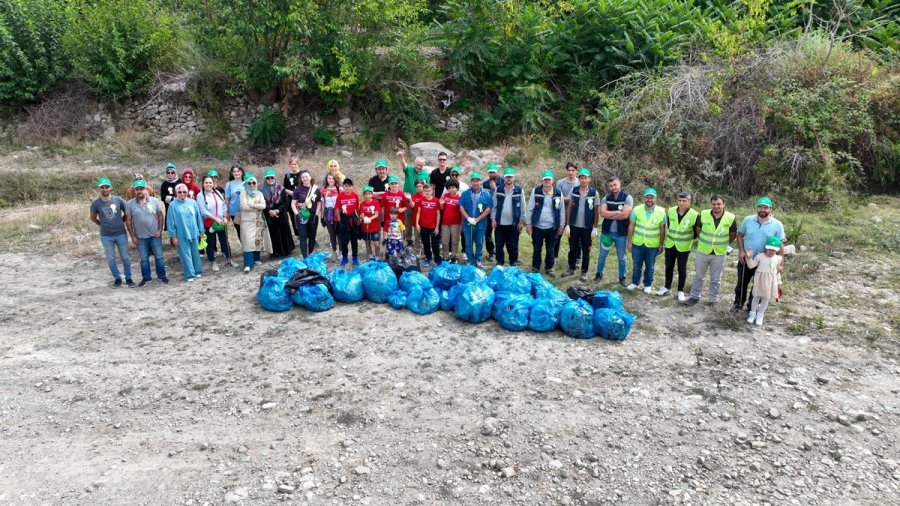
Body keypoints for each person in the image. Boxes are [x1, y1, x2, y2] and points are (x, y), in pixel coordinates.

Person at [683, 195, 736, 306]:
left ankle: (713, 300)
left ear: (724, 204)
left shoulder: (730, 217)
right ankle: (694, 297)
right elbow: (698, 230)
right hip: (703, 250)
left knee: (716, 279)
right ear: (711, 204)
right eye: (714, 204)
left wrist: (723, 244)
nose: (716, 206)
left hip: (719, 253)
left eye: (719, 204)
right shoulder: (703, 214)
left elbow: (732, 234)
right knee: (698, 276)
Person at [735, 197, 786, 311]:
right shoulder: (748, 220)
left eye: (765, 207)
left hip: (765, 261)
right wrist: (741, 251)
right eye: (760, 207)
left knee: (759, 286)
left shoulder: (777, 224)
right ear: (756, 208)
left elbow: (780, 245)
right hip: (747, 259)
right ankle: (738, 305)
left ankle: (751, 308)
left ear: (771, 209)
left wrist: (781, 263)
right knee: (741, 283)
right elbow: (740, 235)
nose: (762, 209)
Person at [90, 177, 133, 288]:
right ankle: (117, 278)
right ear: (99, 189)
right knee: (111, 259)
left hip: (120, 233)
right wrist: (101, 224)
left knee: (125, 257)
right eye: (102, 187)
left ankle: (128, 278)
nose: (105, 189)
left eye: (107, 187)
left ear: (111, 187)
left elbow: (127, 213)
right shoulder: (96, 204)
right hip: (106, 236)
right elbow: (93, 217)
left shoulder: (118, 200)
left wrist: (121, 221)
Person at [125, 179, 168, 286]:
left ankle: (162, 276)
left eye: (141, 189)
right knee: (144, 259)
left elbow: (160, 216)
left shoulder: (154, 201)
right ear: (134, 191)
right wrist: (133, 236)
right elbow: (128, 221)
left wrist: (160, 230)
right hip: (140, 237)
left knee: (159, 257)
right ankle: (146, 278)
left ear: (146, 189)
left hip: (155, 235)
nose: (139, 191)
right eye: (137, 189)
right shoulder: (130, 204)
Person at [658, 192, 699, 301]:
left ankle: (680, 291)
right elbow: (670, 226)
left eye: (684, 201)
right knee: (668, 267)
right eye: (680, 200)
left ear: (689, 202)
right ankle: (667, 287)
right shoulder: (670, 211)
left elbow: (696, 232)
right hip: (670, 244)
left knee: (682, 269)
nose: (681, 203)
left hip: (684, 246)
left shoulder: (695, 215)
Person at [626, 188, 666, 293]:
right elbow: (631, 227)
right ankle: (635, 282)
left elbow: (662, 231)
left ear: (655, 199)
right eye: (647, 197)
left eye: (651, 197)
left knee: (650, 266)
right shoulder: (637, 210)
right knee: (636, 265)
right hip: (637, 243)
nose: (649, 199)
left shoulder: (661, 212)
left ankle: (647, 284)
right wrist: (629, 242)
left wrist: (661, 245)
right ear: (644, 198)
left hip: (652, 245)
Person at [525, 170, 565, 278]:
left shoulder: (558, 193)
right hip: (537, 226)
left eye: (549, 179)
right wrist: (528, 224)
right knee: (537, 248)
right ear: (542, 180)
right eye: (545, 179)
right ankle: (535, 267)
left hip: (552, 227)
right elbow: (530, 209)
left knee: (550, 248)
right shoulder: (536, 191)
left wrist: (561, 225)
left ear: (553, 181)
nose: (547, 181)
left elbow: (562, 210)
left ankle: (549, 268)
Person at [595, 176, 633, 285]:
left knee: (622, 257)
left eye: (615, 185)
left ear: (619, 183)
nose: (613, 187)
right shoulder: (606, 198)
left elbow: (625, 215)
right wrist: (617, 213)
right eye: (611, 186)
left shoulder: (627, 197)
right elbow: (602, 213)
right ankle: (599, 274)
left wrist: (609, 214)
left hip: (621, 234)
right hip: (607, 233)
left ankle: (622, 277)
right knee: (602, 255)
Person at [563, 168, 600, 282]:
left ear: (589, 179)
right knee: (572, 248)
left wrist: (595, 227)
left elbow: (596, 211)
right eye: (581, 178)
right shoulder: (573, 190)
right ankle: (571, 268)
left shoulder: (594, 193)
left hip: (587, 227)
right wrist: (567, 224)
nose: (583, 180)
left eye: (585, 178)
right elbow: (569, 208)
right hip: (574, 226)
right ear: (578, 179)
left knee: (586, 250)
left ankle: (584, 272)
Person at [165, 183, 204, 282]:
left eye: (184, 192)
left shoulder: (193, 202)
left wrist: (201, 230)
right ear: (176, 193)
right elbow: (170, 222)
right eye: (179, 192)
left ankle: (197, 271)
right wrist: (173, 236)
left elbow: (198, 217)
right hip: (181, 234)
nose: (182, 194)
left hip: (194, 232)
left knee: (195, 252)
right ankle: (190, 275)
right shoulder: (173, 205)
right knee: (185, 254)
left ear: (187, 192)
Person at [198, 175, 236, 271]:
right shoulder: (200, 196)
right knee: (210, 243)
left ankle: (229, 259)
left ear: (213, 184)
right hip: (209, 222)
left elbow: (223, 206)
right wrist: (216, 219)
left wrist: (224, 217)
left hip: (221, 221)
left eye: (210, 182)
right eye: (206, 182)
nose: (208, 184)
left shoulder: (217, 193)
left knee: (224, 241)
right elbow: (203, 211)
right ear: (203, 184)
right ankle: (213, 261)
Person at [745, 236, 783, 326]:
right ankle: (752, 314)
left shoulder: (778, 259)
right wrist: (749, 258)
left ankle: (760, 315)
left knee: (766, 299)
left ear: (776, 250)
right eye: (769, 249)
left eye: (773, 250)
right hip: (760, 281)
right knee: (756, 297)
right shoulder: (760, 256)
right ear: (766, 248)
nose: (771, 251)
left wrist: (779, 283)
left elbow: (777, 272)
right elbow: (751, 266)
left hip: (770, 282)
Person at [491, 167, 525, 266]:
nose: (508, 179)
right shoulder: (499, 189)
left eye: (510, 177)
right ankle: (499, 262)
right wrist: (493, 219)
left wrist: (521, 221)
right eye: (507, 177)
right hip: (500, 223)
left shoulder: (519, 190)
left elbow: (523, 206)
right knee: (499, 244)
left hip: (514, 223)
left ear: (513, 178)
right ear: (504, 178)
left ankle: (513, 262)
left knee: (513, 245)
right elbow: (494, 206)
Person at [459, 172, 493, 268]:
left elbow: (488, 209)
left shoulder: (486, 194)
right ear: (471, 182)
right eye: (473, 181)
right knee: (468, 243)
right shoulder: (465, 193)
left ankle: (478, 260)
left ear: (480, 182)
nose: (475, 183)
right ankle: (470, 260)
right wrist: (468, 218)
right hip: (468, 223)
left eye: (477, 181)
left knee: (479, 242)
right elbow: (461, 207)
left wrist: (477, 219)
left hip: (481, 223)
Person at [239, 174, 272, 272]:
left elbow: (264, 206)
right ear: (246, 183)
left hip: (258, 221)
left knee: (257, 240)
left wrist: (252, 204)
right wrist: (257, 206)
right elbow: (244, 207)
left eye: (254, 183)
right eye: (249, 183)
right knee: (248, 242)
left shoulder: (259, 193)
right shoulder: (243, 193)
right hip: (247, 221)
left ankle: (256, 258)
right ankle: (248, 264)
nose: (252, 185)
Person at [260, 168, 295, 258]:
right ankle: (275, 252)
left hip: (281, 213)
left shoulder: (281, 188)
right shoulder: (261, 191)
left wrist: (278, 210)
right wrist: (269, 211)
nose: (270, 180)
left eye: (272, 177)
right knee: (273, 233)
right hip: (270, 215)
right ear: (265, 179)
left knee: (284, 231)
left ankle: (286, 251)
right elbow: (262, 203)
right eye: (268, 178)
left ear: (275, 178)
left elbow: (286, 202)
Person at [290, 171, 319, 258]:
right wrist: (297, 214)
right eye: (303, 177)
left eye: (306, 176)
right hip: (301, 215)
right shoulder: (297, 190)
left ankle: (310, 254)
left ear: (310, 177)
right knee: (303, 236)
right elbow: (293, 203)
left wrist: (316, 215)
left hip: (313, 215)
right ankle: (304, 257)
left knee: (312, 236)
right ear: (301, 179)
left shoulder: (316, 189)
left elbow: (319, 203)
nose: (305, 178)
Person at [554, 163, 579, 261]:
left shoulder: (579, 183)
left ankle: (577, 258)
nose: (571, 172)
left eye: (573, 170)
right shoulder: (560, 182)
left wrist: (566, 198)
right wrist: (570, 199)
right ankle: (554, 256)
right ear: (566, 171)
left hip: (575, 214)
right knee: (557, 235)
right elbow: (557, 197)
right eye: (569, 170)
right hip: (561, 213)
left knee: (575, 238)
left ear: (576, 171)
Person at [335, 178, 361, 267]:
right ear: (343, 186)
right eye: (346, 186)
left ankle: (355, 257)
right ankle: (345, 257)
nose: (347, 188)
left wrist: (359, 217)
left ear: (352, 187)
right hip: (343, 218)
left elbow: (358, 208)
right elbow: (337, 209)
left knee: (354, 240)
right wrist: (339, 221)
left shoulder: (355, 195)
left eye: (349, 186)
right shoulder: (340, 196)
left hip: (353, 218)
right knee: (344, 240)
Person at [416, 183, 442, 266]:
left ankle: (437, 259)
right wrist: (417, 224)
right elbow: (418, 213)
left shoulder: (436, 201)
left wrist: (437, 227)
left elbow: (438, 214)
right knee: (425, 243)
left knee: (435, 244)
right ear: (424, 191)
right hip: (423, 226)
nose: (427, 192)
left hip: (433, 227)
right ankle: (428, 258)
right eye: (426, 190)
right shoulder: (421, 200)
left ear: (432, 191)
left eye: (429, 190)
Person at [318, 173, 341, 262]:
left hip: (338, 214)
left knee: (339, 234)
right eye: (329, 178)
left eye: (332, 178)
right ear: (326, 180)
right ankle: (334, 252)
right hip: (328, 214)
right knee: (332, 234)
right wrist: (322, 216)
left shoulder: (340, 189)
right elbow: (323, 204)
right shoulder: (323, 190)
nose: (331, 180)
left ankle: (341, 252)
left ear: (335, 180)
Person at [440, 180, 462, 264]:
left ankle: (454, 257)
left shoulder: (460, 198)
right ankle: (445, 256)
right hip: (445, 223)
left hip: (456, 223)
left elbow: (462, 211)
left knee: (455, 241)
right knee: (444, 241)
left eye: (453, 187)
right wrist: (441, 204)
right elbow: (441, 209)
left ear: (457, 188)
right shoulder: (445, 196)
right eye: (449, 188)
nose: (451, 189)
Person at [359, 186, 382, 261]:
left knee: (376, 244)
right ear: (363, 195)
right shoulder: (362, 204)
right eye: (365, 194)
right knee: (367, 242)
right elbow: (362, 214)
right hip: (365, 227)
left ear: (372, 194)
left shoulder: (375, 202)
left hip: (374, 227)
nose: (367, 195)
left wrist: (369, 218)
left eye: (369, 193)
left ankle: (377, 256)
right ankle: (371, 256)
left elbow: (376, 214)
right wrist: (363, 218)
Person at [483, 163, 500, 262]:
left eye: (493, 172)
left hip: (500, 211)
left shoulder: (503, 181)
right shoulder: (485, 183)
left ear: (497, 172)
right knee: (488, 233)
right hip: (489, 211)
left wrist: (495, 189)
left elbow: (505, 195)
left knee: (500, 234)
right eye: (490, 172)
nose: (492, 174)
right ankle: (492, 253)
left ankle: (502, 252)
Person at [283, 157, 303, 237]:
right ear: (289, 165)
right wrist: (289, 192)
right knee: (294, 217)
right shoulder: (287, 175)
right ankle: (298, 235)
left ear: (298, 164)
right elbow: (284, 188)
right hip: (292, 200)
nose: (293, 166)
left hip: (302, 200)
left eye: (295, 164)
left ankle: (307, 234)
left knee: (304, 215)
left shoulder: (302, 174)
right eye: (292, 164)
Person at [224, 165, 245, 239]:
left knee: (247, 231)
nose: (236, 173)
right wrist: (227, 212)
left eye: (238, 171)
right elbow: (227, 199)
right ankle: (244, 248)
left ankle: (250, 248)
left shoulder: (246, 182)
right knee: (239, 231)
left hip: (246, 211)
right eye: (234, 171)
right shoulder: (229, 184)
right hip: (234, 212)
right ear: (232, 173)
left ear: (241, 172)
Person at [160, 162, 179, 229]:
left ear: (175, 173)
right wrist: (174, 199)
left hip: (180, 210)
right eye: (168, 172)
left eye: (172, 172)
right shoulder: (164, 184)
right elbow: (163, 197)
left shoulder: (180, 182)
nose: (170, 174)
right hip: (169, 210)